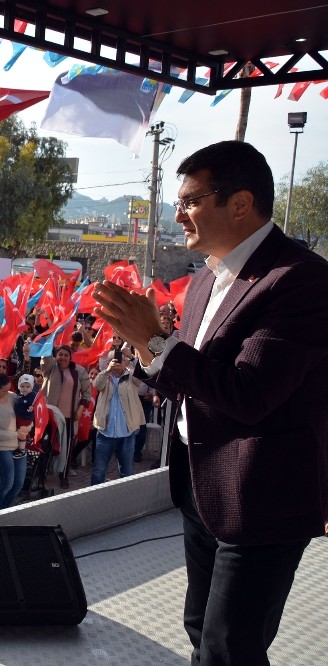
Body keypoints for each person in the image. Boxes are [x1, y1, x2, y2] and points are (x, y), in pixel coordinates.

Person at [93, 140, 328, 666]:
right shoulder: (204, 280)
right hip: (199, 485)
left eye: (191, 201)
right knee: (202, 629)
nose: (177, 214)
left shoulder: (302, 282)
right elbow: (192, 379)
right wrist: (145, 349)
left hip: (261, 498)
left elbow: (250, 395)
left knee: (228, 649)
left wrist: (155, 343)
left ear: (240, 204)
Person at [39, 345, 91, 488]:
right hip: (51, 415)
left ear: (70, 357)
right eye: (60, 354)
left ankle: (63, 475)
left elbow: (87, 392)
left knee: (67, 448)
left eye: (65, 355)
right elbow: (45, 361)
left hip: (69, 417)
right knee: (46, 446)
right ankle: (41, 474)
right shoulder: (51, 368)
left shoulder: (79, 371)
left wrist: (80, 409)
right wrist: (49, 343)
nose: (62, 357)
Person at [89, 355, 145, 485]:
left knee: (127, 471)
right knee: (99, 470)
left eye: (121, 359)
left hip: (127, 432)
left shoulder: (131, 377)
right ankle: (94, 500)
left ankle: (125, 500)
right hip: (105, 432)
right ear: (109, 362)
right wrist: (108, 370)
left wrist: (131, 362)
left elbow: (140, 380)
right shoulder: (105, 376)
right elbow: (96, 385)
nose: (118, 362)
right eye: (115, 359)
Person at [0, 373, 32, 511]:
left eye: (9, 389)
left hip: (19, 445)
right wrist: (16, 434)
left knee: (18, 484)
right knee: (7, 483)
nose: (7, 392)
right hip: (1, 447)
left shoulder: (12, 396)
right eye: (4, 390)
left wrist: (28, 427)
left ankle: (4, 509)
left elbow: (27, 415)